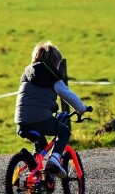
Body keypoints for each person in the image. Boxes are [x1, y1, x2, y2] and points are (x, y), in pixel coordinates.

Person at [14, 41, 89, 178]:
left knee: (41, 147)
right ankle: (54, 160)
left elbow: (34, 99)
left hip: (21, 122)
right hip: (40, 120)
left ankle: (37, 174)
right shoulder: (52, 76)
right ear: (54, 63)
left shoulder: (26, 75)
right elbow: (68, 95)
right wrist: (81, 108)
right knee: (64, 131)